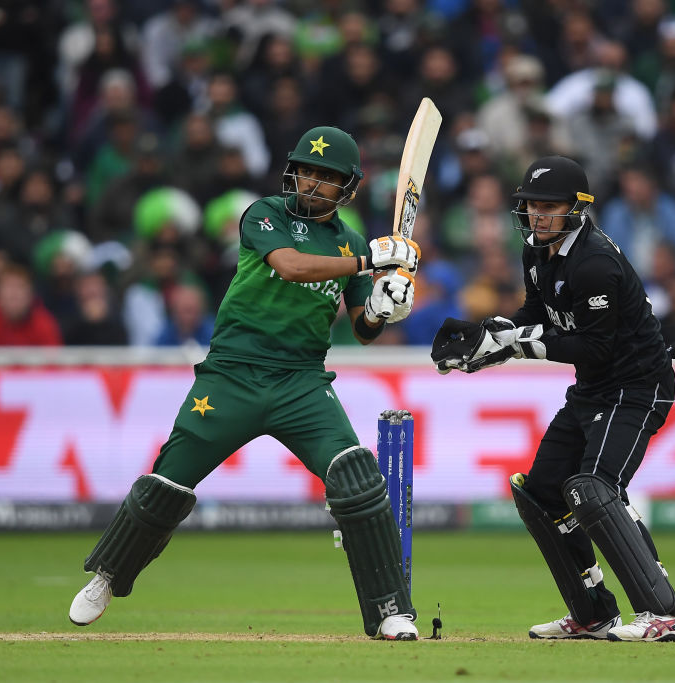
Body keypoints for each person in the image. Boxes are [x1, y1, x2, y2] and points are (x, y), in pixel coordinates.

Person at [68, 125, 423, 641]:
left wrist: (383, 304)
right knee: (167, 483)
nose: (311, 183)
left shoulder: (348, 240)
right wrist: (373, 261)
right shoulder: (265, 215)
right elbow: (292, 265)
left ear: (346, 186)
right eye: (305, 171)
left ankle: (391, 610)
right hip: (232, 374)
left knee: (357, 479)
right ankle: (108, 576)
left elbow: (363, 330)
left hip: (301, 382)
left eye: (325, 177)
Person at [430, 156, 675, 642]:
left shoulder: (595, 263)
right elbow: (536, 315)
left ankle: (666, 615)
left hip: (636, 386)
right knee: (541, 492)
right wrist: (489, 341)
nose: (538, 215)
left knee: (594, 488)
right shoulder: (537, 253)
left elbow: (592, 346)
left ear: (577, 208)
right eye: (532, 205)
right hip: (593, 389)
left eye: (549, 206)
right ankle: (593, 614)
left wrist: (515, 344)